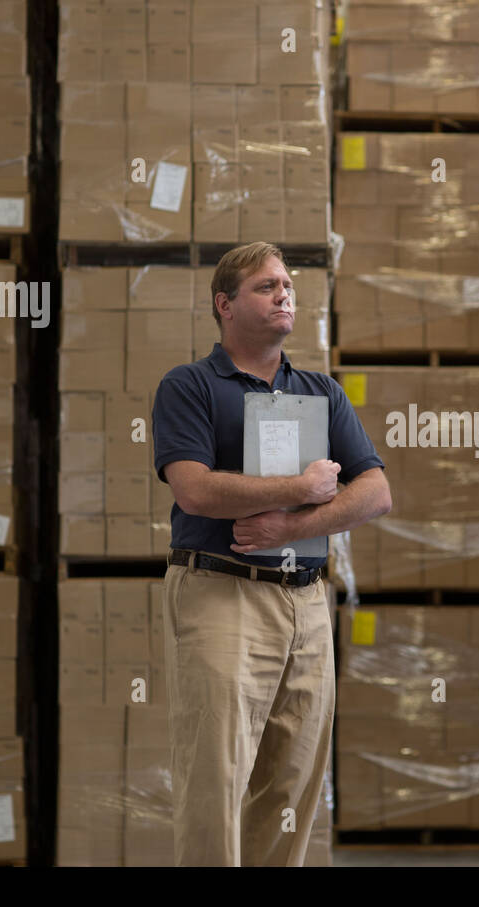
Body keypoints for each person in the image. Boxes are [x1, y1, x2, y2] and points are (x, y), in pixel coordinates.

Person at [152, 241, 391, 866]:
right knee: (216, 778)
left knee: (293, 781)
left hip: (307, 602)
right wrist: (303, 487)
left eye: (287, 285)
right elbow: (195, 489)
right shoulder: (190, 386)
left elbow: (376, 492)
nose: (284, 294)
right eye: (266, 286)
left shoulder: (320, 392)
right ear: (224, 305)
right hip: (222, 593)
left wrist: (289, 526)